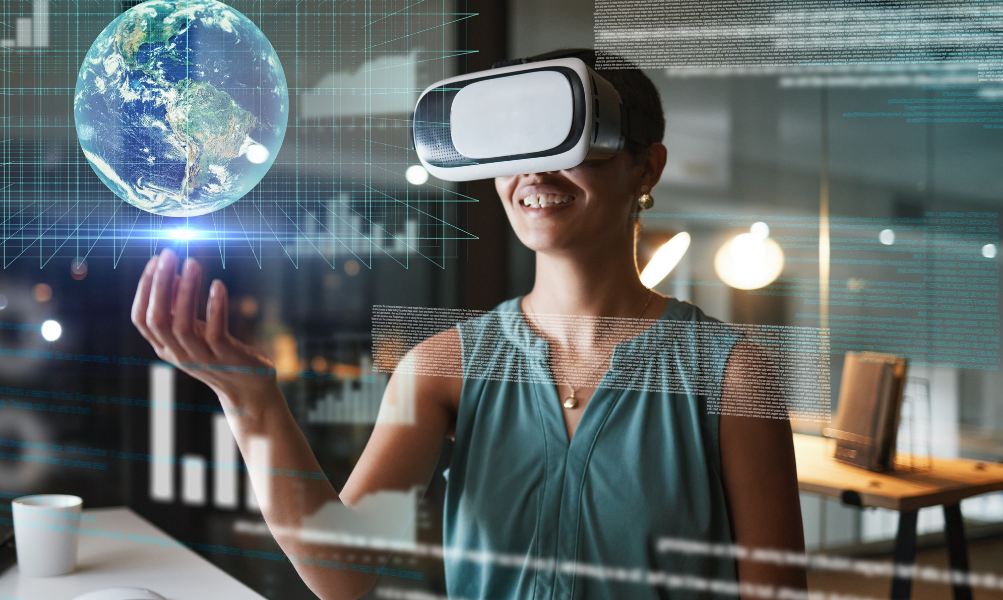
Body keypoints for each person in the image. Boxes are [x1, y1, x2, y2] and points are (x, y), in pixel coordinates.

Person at [130, 49, 806, 600]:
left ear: (645, 168)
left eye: (570, 141)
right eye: (519, 146)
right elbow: (344, 567)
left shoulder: (732, 374)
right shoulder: (443, 366)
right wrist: (252, 405)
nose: (536, 170)